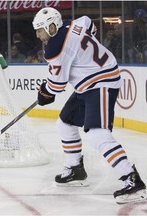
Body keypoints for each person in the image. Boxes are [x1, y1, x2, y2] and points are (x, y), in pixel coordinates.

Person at [32, 7, 146, 204]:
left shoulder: (56, 48)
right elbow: (88, 23)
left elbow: (57, 85)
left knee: (97, 134)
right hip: (88, 83)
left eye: (41, 29)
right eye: (37, 30)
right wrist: (86, 53)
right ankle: (76, 169)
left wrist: (45, 93)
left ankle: (132, 180)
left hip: (101, 82)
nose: (38, 34)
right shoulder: (70, 24)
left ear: (52, 27)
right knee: (64, 124)